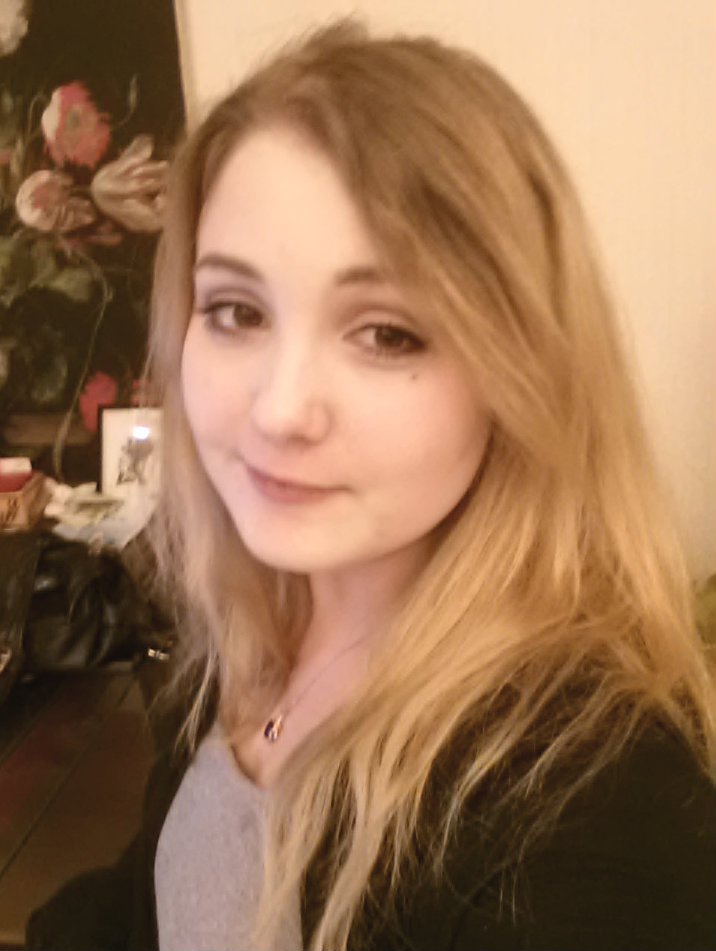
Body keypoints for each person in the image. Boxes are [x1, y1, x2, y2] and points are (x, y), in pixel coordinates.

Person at [27, 21, 715, 951]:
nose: (280, 409)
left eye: (388, 333)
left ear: (521, 372)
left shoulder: (597, 811)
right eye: (235, 310)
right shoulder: (248, 628)